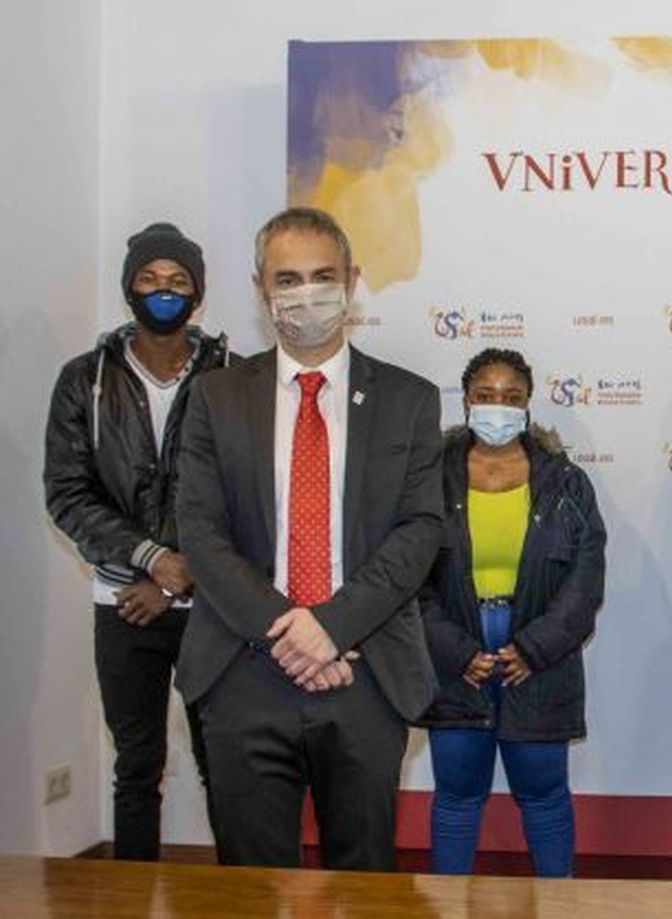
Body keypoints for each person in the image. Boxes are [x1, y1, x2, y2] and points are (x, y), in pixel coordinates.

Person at [175, 207, 443, 870]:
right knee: (248, 887)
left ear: (351, 281)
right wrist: (288, 629)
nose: (306, 292)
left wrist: (331, 625)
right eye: (287, 278)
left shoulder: (409, 398)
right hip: (243, 669)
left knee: (366, 881)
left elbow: (420, 529)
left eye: (322, 275)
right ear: (262, 288)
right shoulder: (215, 395)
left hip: (365, 671)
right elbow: (201, 532)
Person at [44, 222, 228, 861]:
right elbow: (67, 493)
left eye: (178, 282)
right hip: (123, 603)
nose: (164, 292)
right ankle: (129, 897)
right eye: (150, 280)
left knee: (226, 762)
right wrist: (151, 561)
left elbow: (246, 497)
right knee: (137, 764)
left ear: (198, 294)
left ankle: (244, 896)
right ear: (129, 289)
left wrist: (185, 574)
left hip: (218, 607)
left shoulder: (231, 374)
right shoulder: (84, 380)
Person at [418, 347, 606, 877]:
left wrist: (534, 648)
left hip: (538, 654)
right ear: (465, 400)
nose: (497, 407)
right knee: (456, 793)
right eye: (484, 396)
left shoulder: (565, 482)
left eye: (510, 397)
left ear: (527, 404)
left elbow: (586, 579)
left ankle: (558, 905)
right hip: (456, 651)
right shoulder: (431, 478)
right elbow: (408, 578)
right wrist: (456, 652)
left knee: (544, 793)